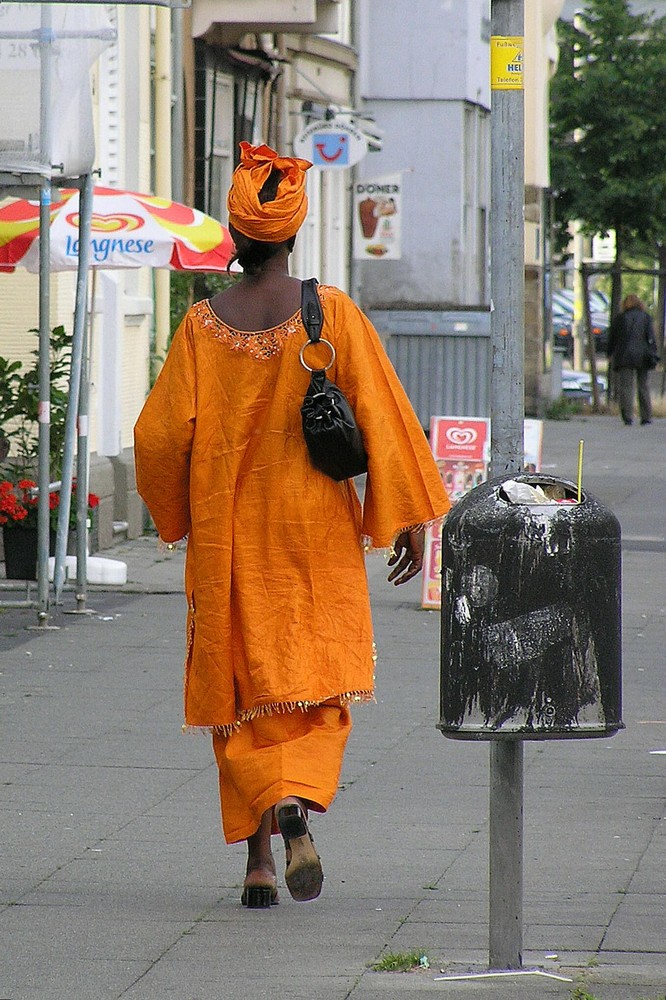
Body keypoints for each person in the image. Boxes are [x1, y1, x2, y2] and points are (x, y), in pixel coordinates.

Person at [134, 142, 450, 909]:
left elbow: (156, 437)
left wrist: (174, 517)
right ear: (293, 234)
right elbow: (379, 410)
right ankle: (294, 797)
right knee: (315, 685)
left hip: (229, 541)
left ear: (237, 239)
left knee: (241, 690)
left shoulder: (204, 326)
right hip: (313, 537)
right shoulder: (328, 310)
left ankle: (258, 865)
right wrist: (405, 515)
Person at [606, 294, 659, 425]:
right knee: (643, 386)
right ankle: (646, 417)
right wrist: (653, 353)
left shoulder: (620, 318)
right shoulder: (646, 317)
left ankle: (628, 416)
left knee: (626, 387)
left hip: (624, 356)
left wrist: (609, 353)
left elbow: (612, 338)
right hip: (643, 356)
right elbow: (650, 338)